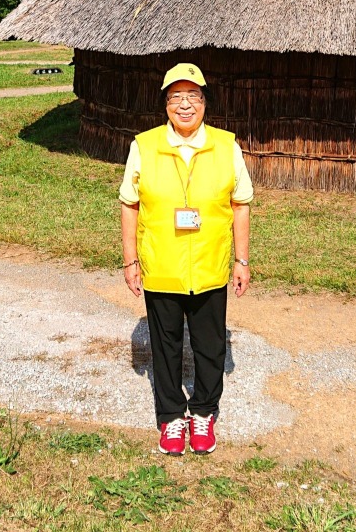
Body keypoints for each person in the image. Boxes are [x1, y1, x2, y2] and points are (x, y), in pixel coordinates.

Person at [119, 63, 252, 456]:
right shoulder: (144, 146)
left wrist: (240, 261)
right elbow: (130, 204)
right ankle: (172, 417)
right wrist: (131, 261)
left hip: (210, 265)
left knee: (211, 347)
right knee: (166, 346)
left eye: (192, 96)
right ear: (165, 104)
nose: (184, 105)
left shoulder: (227, 146)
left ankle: (204, 411)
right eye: (175, 97)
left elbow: (240, 204)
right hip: (162, 265)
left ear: (204, 102)